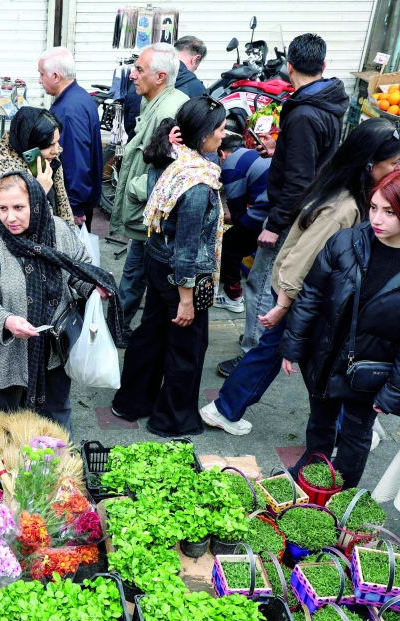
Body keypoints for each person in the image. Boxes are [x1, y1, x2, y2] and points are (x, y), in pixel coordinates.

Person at [201, 118, 400, 435]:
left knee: (284, 354)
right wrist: (283, 305)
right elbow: (303, 257)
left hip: (303, 293)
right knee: (310, 359)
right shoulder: (344, 207)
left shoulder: (345, 188)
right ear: (369, 164)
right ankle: (344, 427)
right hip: (301, 294)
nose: (398, 168)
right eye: (394, 162)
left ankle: (227, 408)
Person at [279, 171, 400, 488]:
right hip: (325, 354)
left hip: (371, 371)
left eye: (390, 211)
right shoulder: (347, 241)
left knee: (356, 434)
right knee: (319, 421)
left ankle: (340, 494)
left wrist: (396, 393)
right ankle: (311, 476)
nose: (377, 218)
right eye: (373, 207)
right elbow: (312, 295)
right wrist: (293, 346)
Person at [217, 33, 348, 376]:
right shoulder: (329, 102)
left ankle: (252, 356)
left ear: (289, 67)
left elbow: (300, 180)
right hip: (308, 204)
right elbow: (316, 159)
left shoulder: (304, 113)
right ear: (323, 66)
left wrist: (275, 225)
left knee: (262, 283)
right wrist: (280, 152)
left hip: (293, 213)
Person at [110, 97, 226, 437]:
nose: (224, 134)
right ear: (203, 135)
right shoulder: (198, 183)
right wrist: (187, 298)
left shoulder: (176, 162)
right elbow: (188, 248)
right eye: (219, 128)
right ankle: (171, 419)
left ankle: (131, 403)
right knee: (187, 348)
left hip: (157, 262)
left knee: (151, 334)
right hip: (180, 276)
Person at [0, 171, 113, 432]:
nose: (10, 217)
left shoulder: (57, 230)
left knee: (55, 413)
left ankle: (59, 465)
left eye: (19, 207)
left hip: (53, 349)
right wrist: (6, 320)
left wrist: (94, 284)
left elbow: (78, 268)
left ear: (36, 202)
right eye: (3, 208)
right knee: (4, 419)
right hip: (8, 354)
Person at [110, 43, 189, 344]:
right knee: (135, 270)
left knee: (137, 271)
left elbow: (172, 171)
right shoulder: (153, 101)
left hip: (154, 214)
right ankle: (118, 324)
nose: (131, 75)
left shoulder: (168, 112)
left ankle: (119, 326)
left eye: (139, 69)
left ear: (160, 76)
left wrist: (135, 189)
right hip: (149, 211)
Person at [40, 46, 104, 231]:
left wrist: (74, 207)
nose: (39, 80)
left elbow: (75, 161)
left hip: (72, 205)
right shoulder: (79, 97)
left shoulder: (69, 110)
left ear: (55, 76)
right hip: (79, 200)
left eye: (42, 74)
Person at [0, 107, 72, 227]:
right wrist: (38, 191)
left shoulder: (47, 163)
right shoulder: (6, 176)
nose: (56, 150)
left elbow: (60, 209)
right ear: (28, 144)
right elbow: (7, 228)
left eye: (57, 142)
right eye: (49, 145)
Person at [214, 133, 271, 313]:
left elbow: (237, 211)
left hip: (266, 211)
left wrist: (224, 218)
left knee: (228, 244)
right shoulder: (250, 154)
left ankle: (234, 296)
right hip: (274, 208)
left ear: (222, 154)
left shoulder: (231, 164)